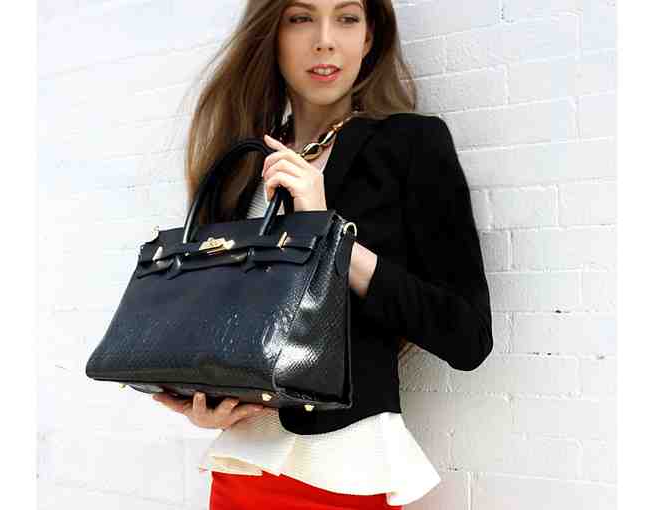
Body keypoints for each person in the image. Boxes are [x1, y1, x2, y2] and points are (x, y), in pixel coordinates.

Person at [152, 1, 494, 508]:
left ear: (370, 37)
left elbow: (467, 337)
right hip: (243, 467)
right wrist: (202, 398)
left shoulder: (410, 144)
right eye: (301, 18)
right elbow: (216, 322)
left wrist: (326, 233)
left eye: (347, 18)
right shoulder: (240, 162)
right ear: (272, 33)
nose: (325, 40)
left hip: (344, 469)